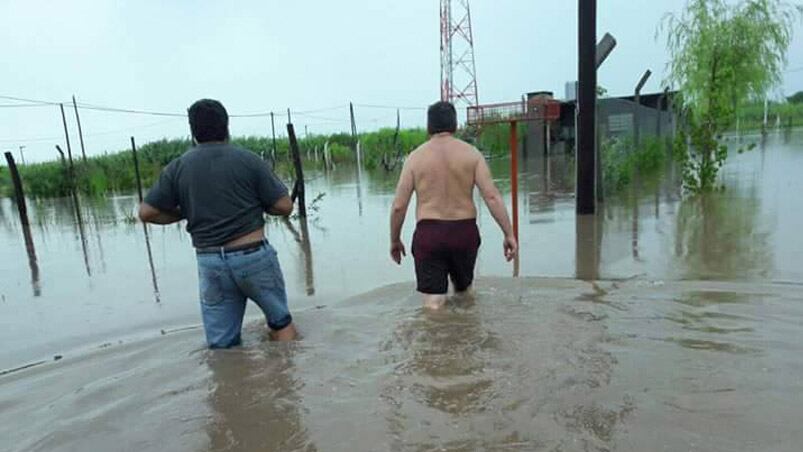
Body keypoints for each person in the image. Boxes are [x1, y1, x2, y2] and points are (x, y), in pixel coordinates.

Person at [139, 98, 297, 347]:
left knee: (222, 345)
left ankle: (227, 384)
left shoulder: (178, 167)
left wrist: (184, 212)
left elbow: (146, 213)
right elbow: (285, 206)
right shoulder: (248, 160)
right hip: (253, 255)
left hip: (210, 262)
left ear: (193, 132)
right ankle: (291, 380)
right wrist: (258, 204)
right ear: (227, 126)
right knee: (281, 324)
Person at [389, 101, 518, 309]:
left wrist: (395, 240)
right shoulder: (472, 154)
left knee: (433, 302)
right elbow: (492, 197)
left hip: (429, 235)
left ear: (429, 127)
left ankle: (437, 340)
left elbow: (398, 206)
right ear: (455, 125)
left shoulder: (414, 158)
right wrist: (509, 234)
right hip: (464, 233)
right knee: (464, 294)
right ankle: (468, 338)